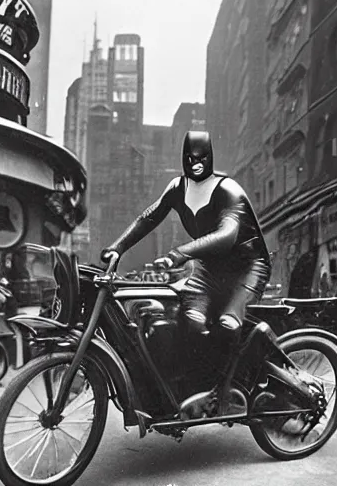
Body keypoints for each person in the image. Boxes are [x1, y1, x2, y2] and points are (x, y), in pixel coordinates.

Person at [101, 131, 273, 412]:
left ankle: (224, 392)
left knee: (229, 324)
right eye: (191, 159)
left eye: (202, 159)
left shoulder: (228, 189)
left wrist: (178, 254)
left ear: (211, 157)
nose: (196, 164)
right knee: (191, 320)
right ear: (184, 158)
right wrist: (117, 247)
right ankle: (195, 390)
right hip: (209, 269)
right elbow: (149, 217)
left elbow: (227, 235)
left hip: (246, 268)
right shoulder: (177, 188)